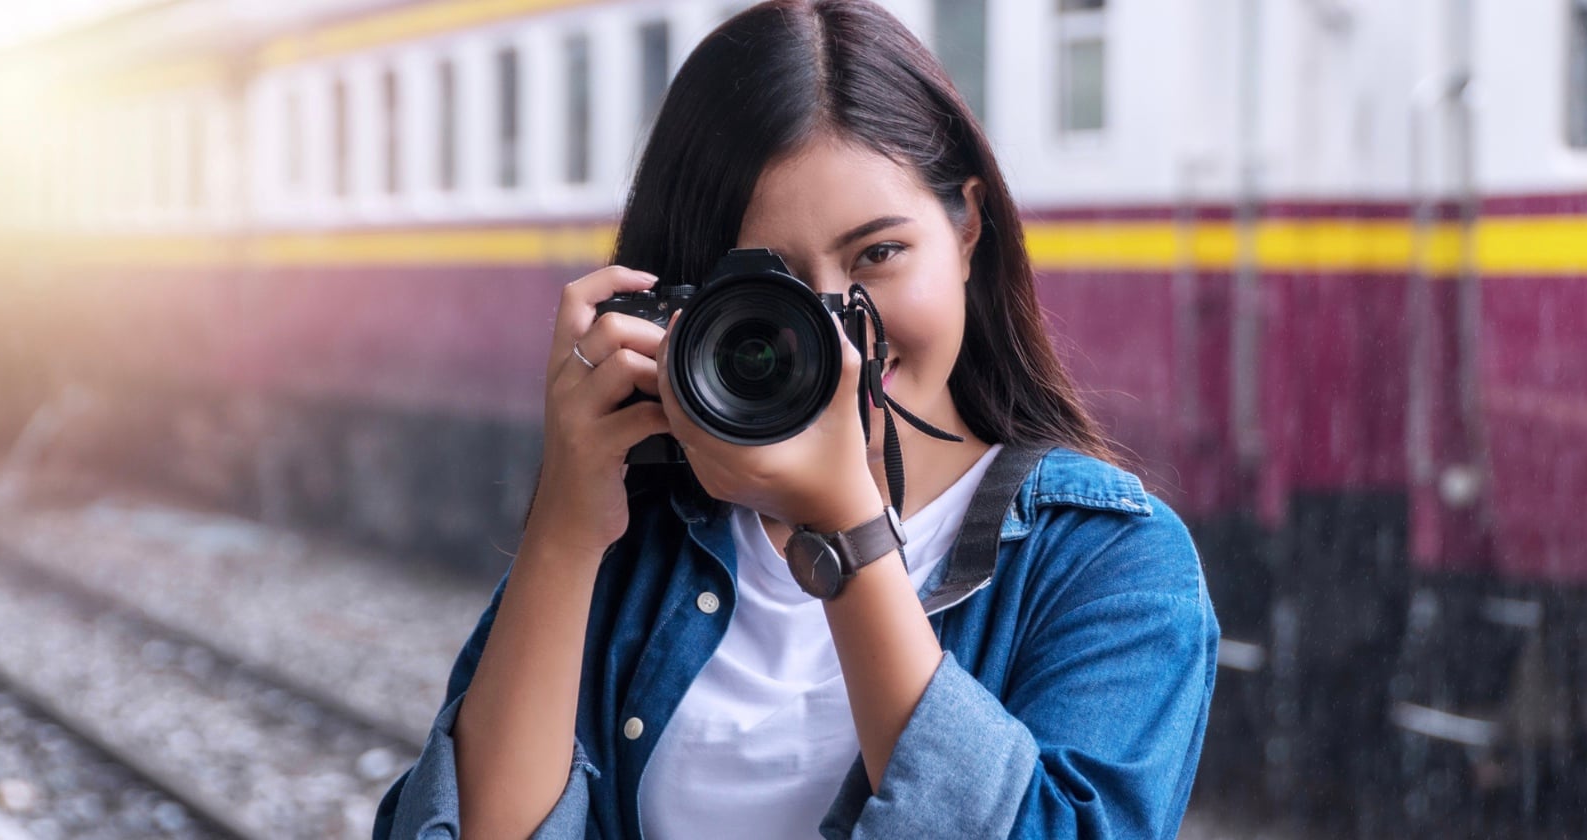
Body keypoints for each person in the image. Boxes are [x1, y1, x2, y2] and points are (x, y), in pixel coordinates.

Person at [375, 1, 1218, 837]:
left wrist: (848, 532)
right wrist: (565, 518)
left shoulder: (1112, 564)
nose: (835, 331)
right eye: (770, 288)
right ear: (685, 305)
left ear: (967, 229)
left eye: (878, 255)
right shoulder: (629, 544)